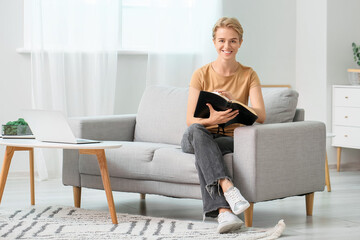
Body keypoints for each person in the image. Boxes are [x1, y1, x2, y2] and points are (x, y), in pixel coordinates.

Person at [181, 17, 266, 234]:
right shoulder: (201, 74)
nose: (226, 46)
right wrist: (211, 120)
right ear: (214, 42)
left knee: (206, 154)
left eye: (232, 41)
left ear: (240, 43)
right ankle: (228, 188)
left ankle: (223, 212)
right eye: (221, 41)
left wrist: (236, 101)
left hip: (228, 140)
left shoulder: (249, 74)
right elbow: (191, 119)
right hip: (198, 135)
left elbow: (261, 115)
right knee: (196, 131)